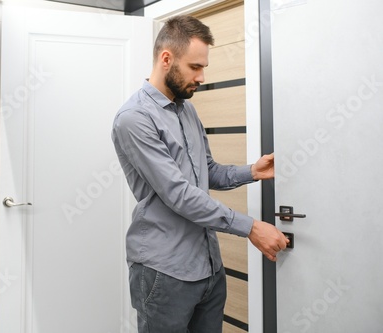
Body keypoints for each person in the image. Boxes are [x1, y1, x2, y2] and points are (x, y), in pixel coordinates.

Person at [111, 15, 288, 332]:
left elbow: (207, 172)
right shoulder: (134, 118)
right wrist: (250, 228)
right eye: (195, 67)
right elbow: (179, 194)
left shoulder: (186, 109)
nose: (202, 77)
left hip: (208, 267)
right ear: (167, 59)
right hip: (164, 272)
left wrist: (253, 171)